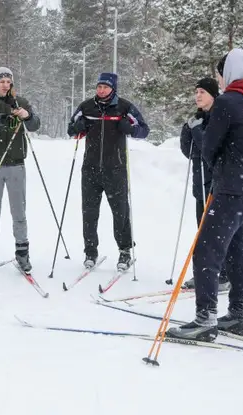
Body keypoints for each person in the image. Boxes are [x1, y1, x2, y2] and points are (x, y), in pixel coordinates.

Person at [167, 48, 243, 341]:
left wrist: (217, 159)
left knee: (207, 248)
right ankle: (237, 314)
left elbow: (209, 147)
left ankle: (205, 319)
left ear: (231, 73)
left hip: (227, 187)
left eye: (221, 74)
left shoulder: (227, 103)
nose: (220, 80)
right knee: (237, 248)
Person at [67, 72, 150, 271]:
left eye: (105, 87)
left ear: (113, 88)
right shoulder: (87, 107)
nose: (101, 90)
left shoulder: (124, 107)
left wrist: (129, 128)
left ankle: (124, 252)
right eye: (99, 86)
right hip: (90, 169)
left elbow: (144, 130)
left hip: (116, 169)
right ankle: (90, 252)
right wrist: (78, 127)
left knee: (120, 212)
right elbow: (71, 130)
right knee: (89, 213)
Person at [0, 66, 41, 272]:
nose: (5, 84)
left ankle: (22, 253)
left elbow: (35, 125)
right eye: (1, 81)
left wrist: (27, 115)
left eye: (8, 81)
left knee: (18, 211)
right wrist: (5, 117)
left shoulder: (21, 102)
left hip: (16, 165)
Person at [179, 77, 231, 292]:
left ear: (213, 95)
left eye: (203, 92)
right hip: (200, 184)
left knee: (217, 234)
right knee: (201, 233)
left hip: (218, 185)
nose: (198, 95)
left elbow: (210, 150)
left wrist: (198, 132)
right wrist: (187, 131)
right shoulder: (197, 119)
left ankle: (224, 275)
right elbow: (189, 152)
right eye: (196, 91)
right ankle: (202, 274)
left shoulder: (219, 118)